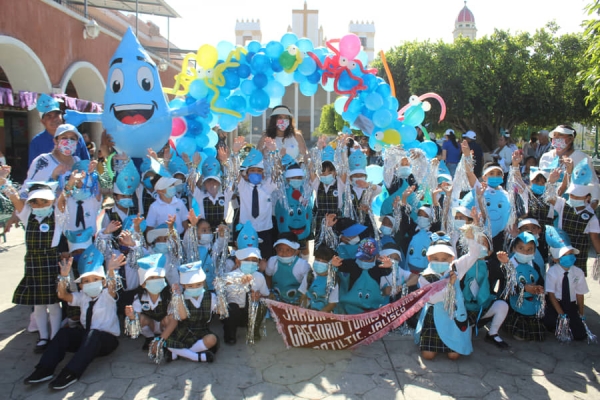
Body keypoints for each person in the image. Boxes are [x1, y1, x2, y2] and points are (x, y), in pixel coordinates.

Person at [23, 246, 125, 390]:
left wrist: (111, 271)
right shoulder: (82, 297)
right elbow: (62, 296)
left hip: (106, 341)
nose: (91, 283)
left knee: (93, 334)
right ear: (81, 286)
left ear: (103, 282)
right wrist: (64, 277)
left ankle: (70, 373)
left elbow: (112, 287)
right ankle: (44, 369)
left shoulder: (107, 296)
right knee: (64, 333)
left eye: (95, 279)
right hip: (86, 340)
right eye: (87, 281)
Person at [0, 176, 64, 353]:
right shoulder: (28, 215)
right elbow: (15, 200)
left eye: (44, 201)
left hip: (51, 261)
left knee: (53, 302)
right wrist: (5, 183)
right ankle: (43, 337)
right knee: (38, 304)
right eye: (35, 202)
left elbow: (63, 200)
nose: (39, 205)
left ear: (51, 200)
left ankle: (55, 336)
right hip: (33, 263)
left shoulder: (57, 215)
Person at [414, 228, 480, 360]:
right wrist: (449, 285)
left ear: (451, 258)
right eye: (435, 258)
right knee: (428, 355)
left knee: (454, 355)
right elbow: (432, 299)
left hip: (452, 316)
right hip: (434, 318)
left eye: (444, 258)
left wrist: (471, 239)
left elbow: (473, 255)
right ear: (429, 258)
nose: (440, 261)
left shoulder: (456, 268)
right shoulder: (425, 276)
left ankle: (457, 340)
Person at [221, 221, 269, 344]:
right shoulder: (231, 275)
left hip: (249, 312)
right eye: (246, 260)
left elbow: (266, 295)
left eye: (254, 260)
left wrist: (258, 296)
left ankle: (253, 329)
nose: (251, 262)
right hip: (234, 314)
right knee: (232, 308)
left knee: (261, 305)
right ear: (238, 261)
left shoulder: (259, 277)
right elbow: (223, 294)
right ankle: (230, 334)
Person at [539, 125, 600, 205]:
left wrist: (593, 203)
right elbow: (539, 181)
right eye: (554, 136)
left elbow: (593, 183)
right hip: (548, 204)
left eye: (560, 135)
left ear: (570, 139)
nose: (556, 138)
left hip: (574, 207)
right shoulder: (546, 157)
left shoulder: (582, 158)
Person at [124, 254, 173, 350]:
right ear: (143, 283)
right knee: (140, 319)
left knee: (170, 318)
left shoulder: (169, 295)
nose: (156, 280)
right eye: (151, 278)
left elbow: (174, 319)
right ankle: (149, 338)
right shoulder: (139, 297)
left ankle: (165, 338)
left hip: (165, 326)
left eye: (158, 277)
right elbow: (136, 317)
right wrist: (131, 316)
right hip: (151, 326)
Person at [28, 94, 89, 167]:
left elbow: (86, 163)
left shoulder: (76, 136)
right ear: (42, 121)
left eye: (56, 115)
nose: (54, 119)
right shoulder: (37, 142)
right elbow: (33, 169)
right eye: (49, 116)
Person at [25, 124, 84, 189]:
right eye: (64, 138)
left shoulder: (78, 161)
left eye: (72, 138)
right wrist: (53, 176)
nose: (68, 141)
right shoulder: (43, 160)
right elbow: (30, 187)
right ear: (55, 141)